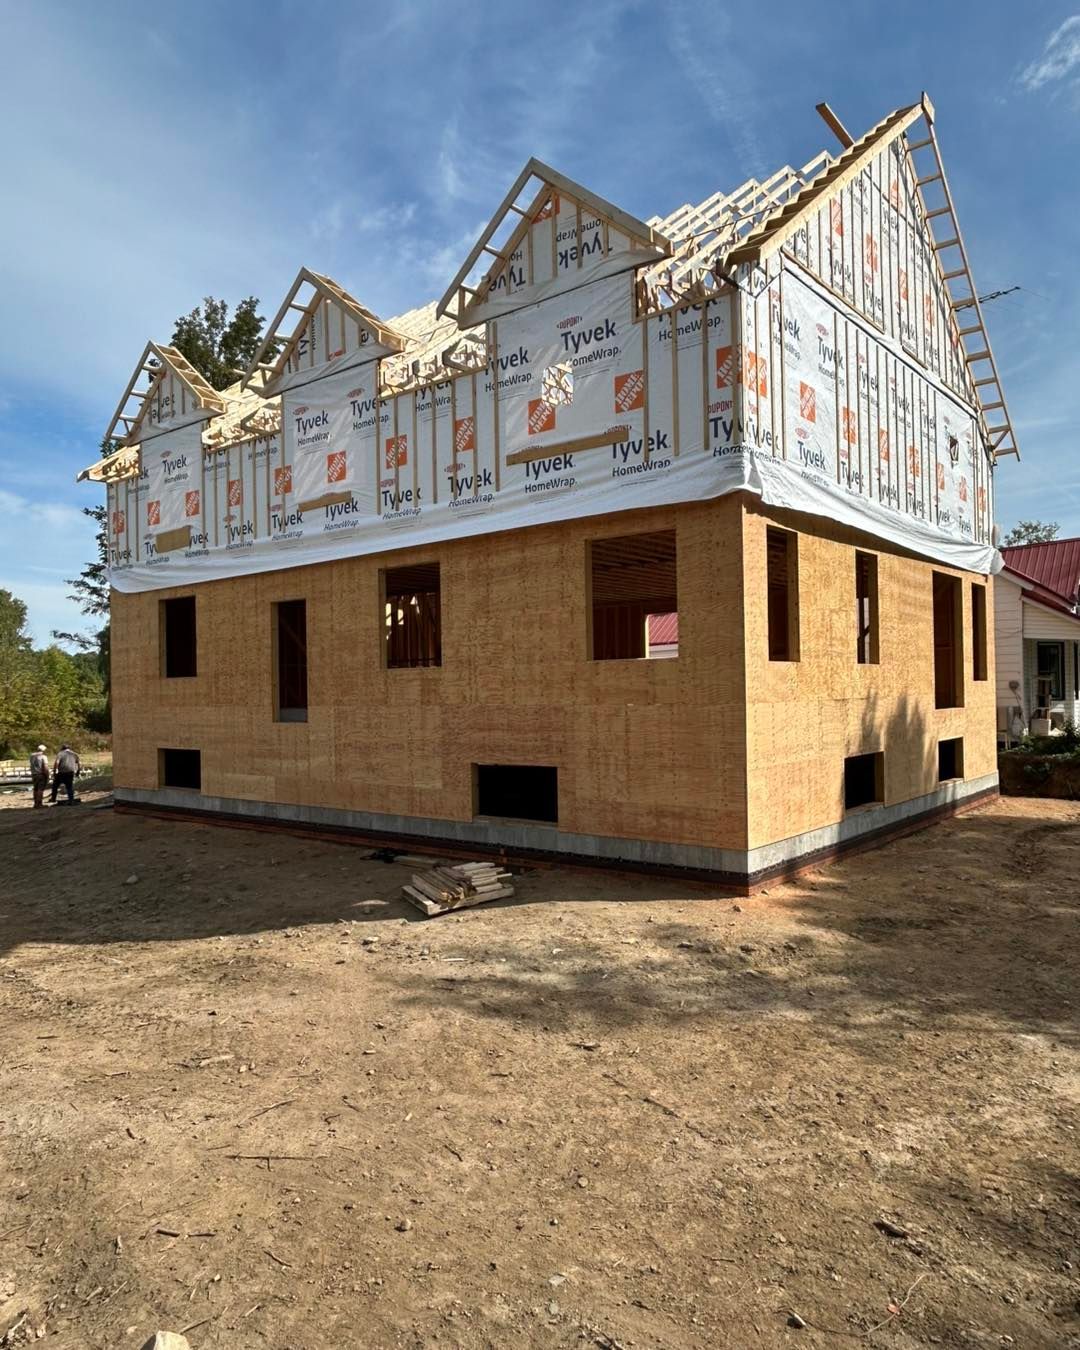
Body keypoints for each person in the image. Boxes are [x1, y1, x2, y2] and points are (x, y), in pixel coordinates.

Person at [29, 744, 49, 809]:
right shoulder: (43, 757)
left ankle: (35, 803)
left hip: (34, 774)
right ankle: (39, 804)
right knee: (40, 789)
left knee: (35, 789)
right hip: (41, 774)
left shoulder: (31, 756)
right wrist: (47, 775)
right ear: (43, 750)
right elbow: (45, 767)